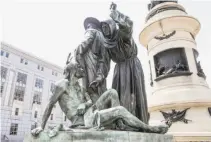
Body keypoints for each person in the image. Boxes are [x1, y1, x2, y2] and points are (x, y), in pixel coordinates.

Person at [31, 60, 168, 137]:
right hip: (83, 120)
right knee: (119, 110)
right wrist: (40, 127)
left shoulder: (80, 88)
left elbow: (89, 101)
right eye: (79, 67)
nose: (82, 69)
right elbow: (49, 105)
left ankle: (119, 124)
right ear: (72, 70)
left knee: (112, 92)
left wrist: (85, 105)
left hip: (89, 111)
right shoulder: (62, 85)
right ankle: (150, 129)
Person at [101, 3, 148, 124]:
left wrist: (115, 15)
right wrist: (100, 75)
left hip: (131, 65)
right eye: (103, 28)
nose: (105, 30)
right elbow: (105, 62)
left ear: (112, 27)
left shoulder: (122, 36)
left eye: (107, 27)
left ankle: (138, 121)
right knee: (119, 95)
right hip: (119, 69)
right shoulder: (107, 43)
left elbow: (127, 27)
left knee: (135, 96)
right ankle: (121, 121)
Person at [75, 17, 110, 103]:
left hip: (90, 65)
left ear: (90, 25)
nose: (87, 28)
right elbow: (105, 59)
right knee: (99, 92)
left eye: (87, 26)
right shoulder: (103, 38)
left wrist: (76, 51)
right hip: (100, 70)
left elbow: (86, 42)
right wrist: (100, 76)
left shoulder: (90, 31)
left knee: (89, 90)